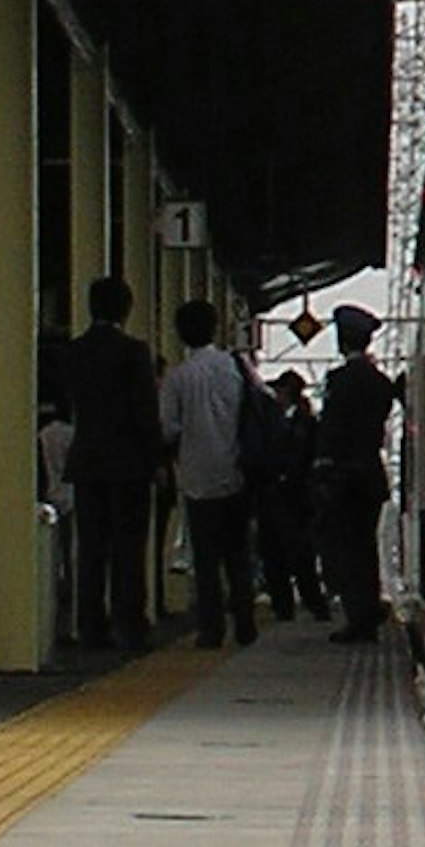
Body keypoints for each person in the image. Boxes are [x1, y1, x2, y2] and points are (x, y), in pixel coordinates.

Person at [60, 279, 162, 656]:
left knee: (91, 549)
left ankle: (91, 628)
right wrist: (155, 460)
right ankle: (130, 627)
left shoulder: (73, 352)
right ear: (126, 309)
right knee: (128, 548)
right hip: (129, 464)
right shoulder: (134, 353)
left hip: (86, 462)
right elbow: (144, 413)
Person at [157, 301, 258, 651]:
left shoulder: (178, 377)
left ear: (181, 334)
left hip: (197, 478)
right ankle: (246, 625)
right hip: (236, 473)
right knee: (238, 554)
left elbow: (167, 429)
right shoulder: (235, 367)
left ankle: (211, 630)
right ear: (215, 329)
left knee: (206, 559)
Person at [312, 307, 400, 641]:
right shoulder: (381, 383)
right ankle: (367, 608)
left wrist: (322, 466)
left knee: (345, 549)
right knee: (365, 546)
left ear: (342, 339)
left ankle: (359, 617)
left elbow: (331, 431)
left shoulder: (340, 381)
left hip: (342, 478)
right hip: (370, 474)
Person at [240, 342, 324, 626]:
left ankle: (308, 604)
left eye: (279, 390)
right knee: (276, 553)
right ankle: (287, 605)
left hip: (291, 498)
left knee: (295, 554)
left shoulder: (299, 424)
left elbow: (297, 459)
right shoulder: (298, 421)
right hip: (278, 497)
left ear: (287, 392)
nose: (275, 395)